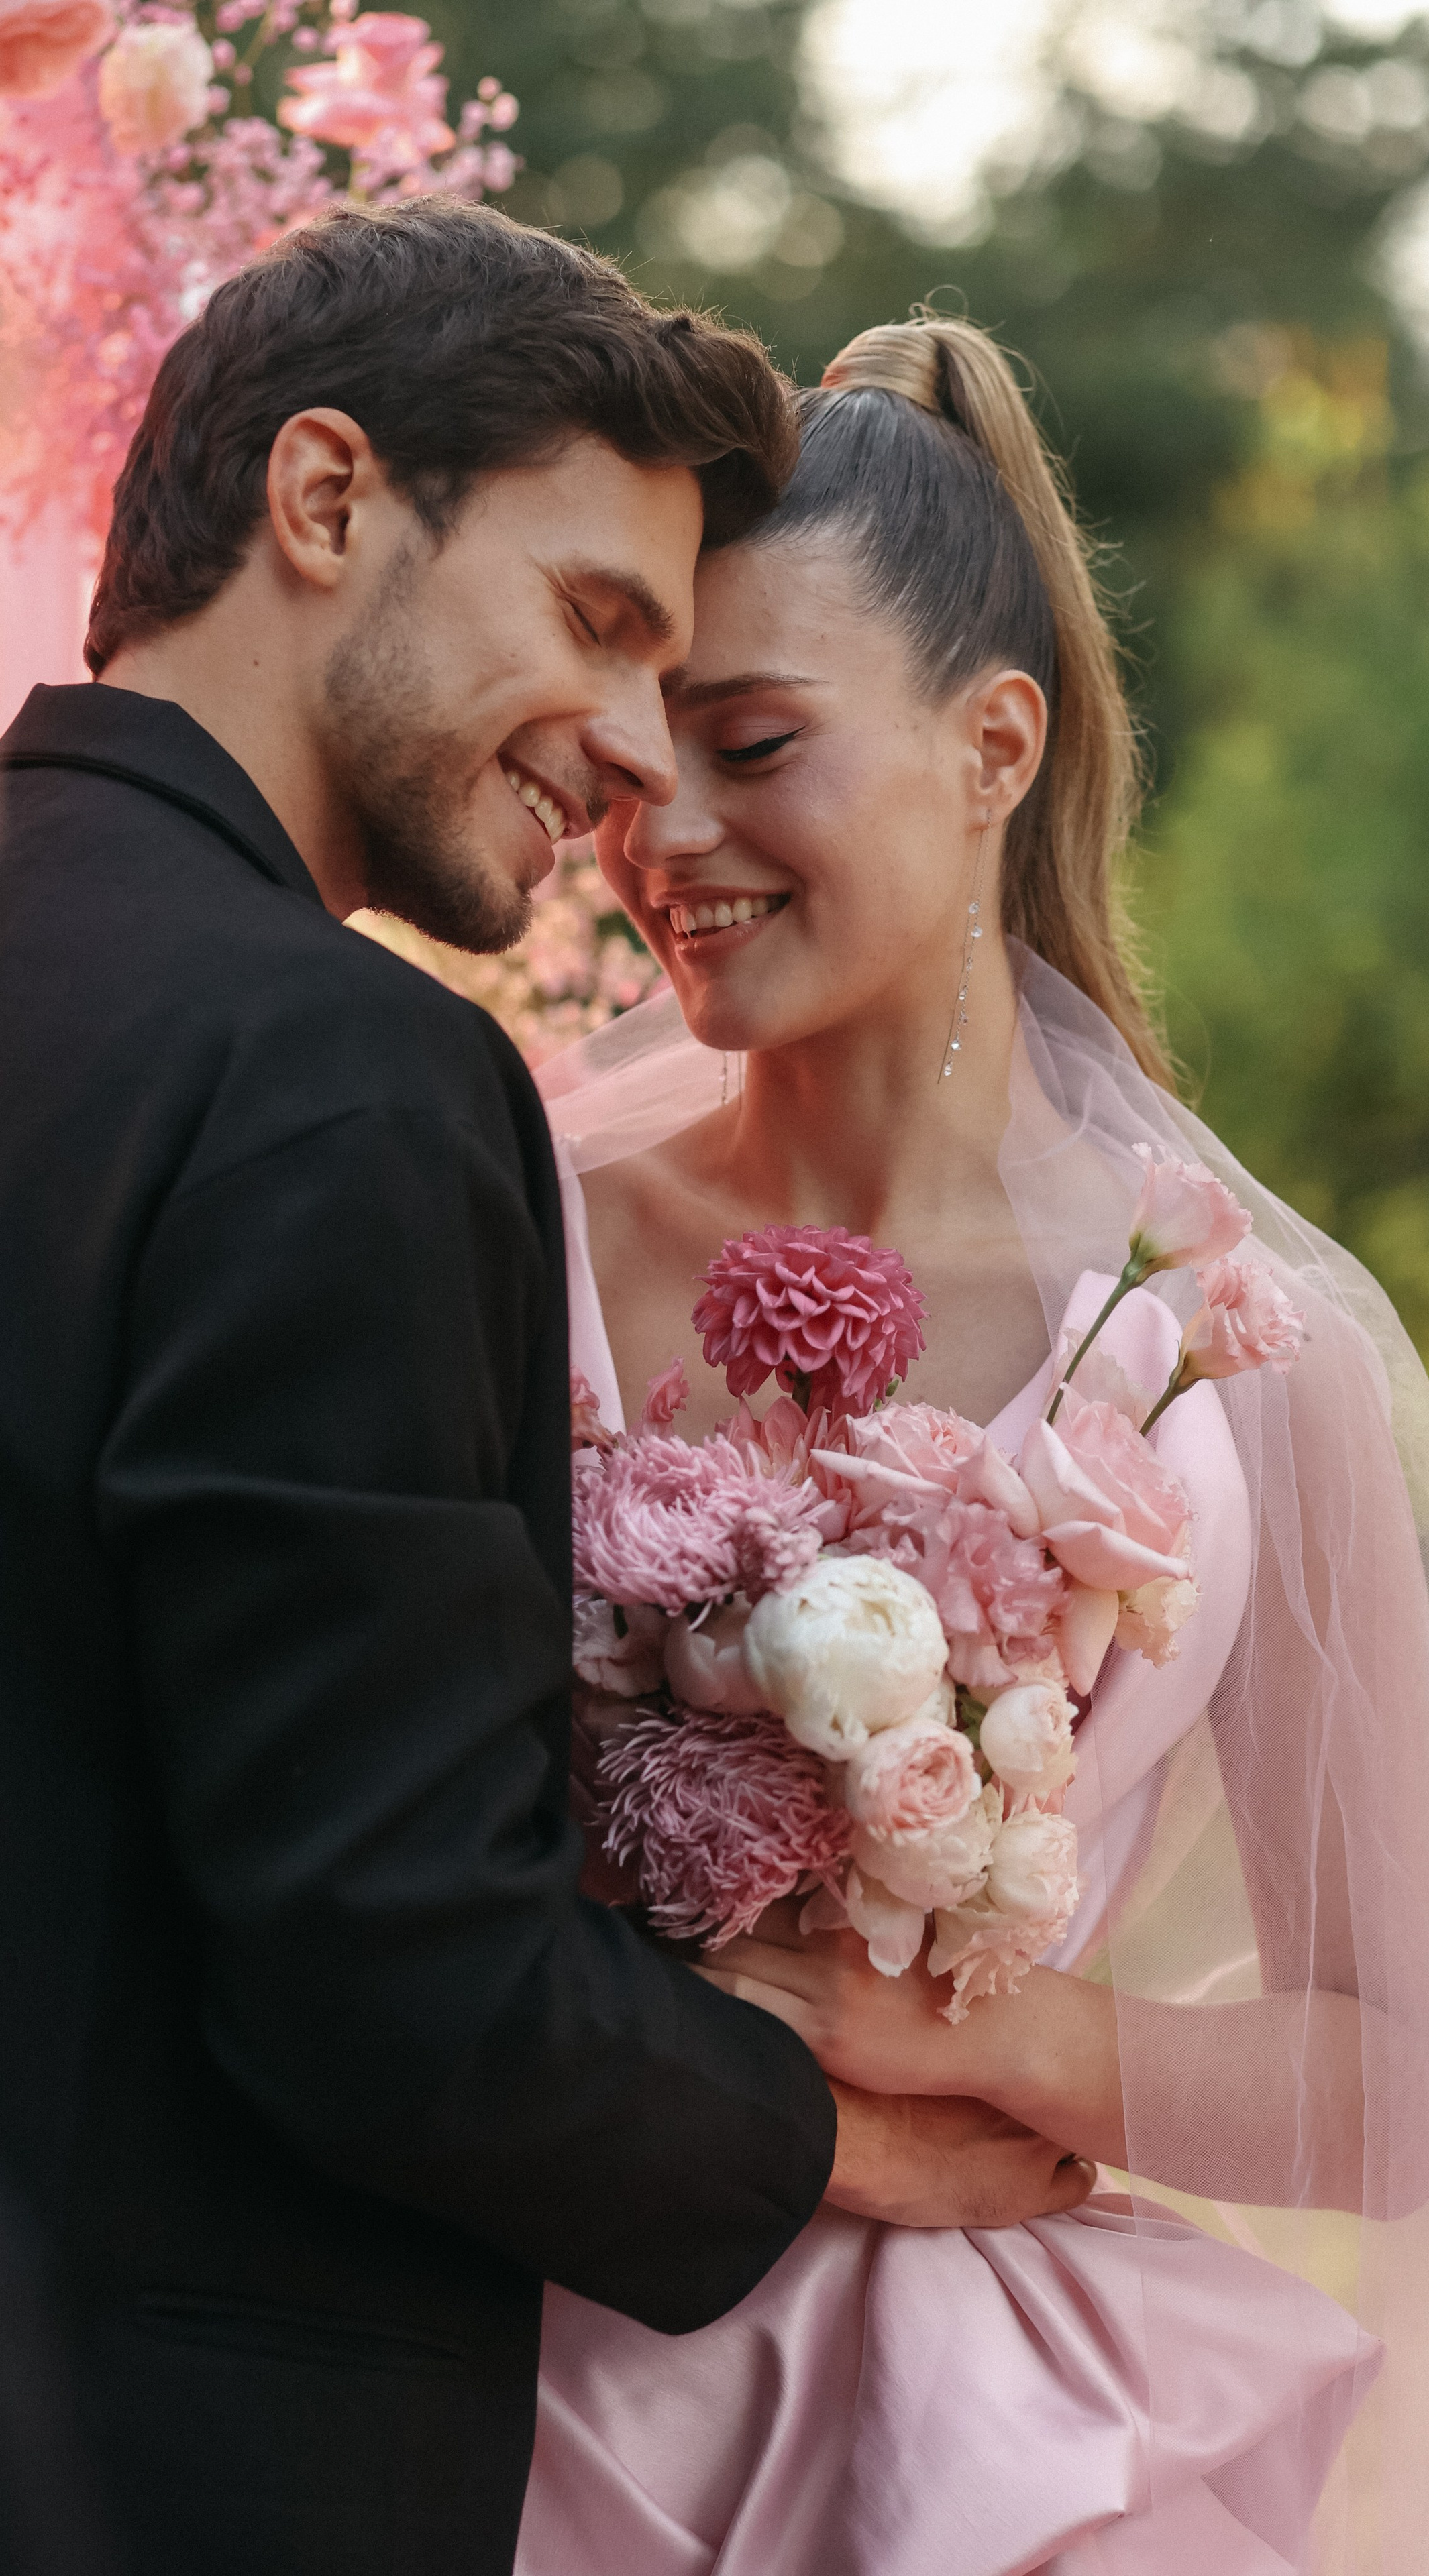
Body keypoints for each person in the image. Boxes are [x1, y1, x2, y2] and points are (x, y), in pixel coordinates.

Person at [0, 209, 1090, 2576]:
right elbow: (376, 1943)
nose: (621, 761)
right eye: (596, 620)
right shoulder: (344, 1082)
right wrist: (821, 2137)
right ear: (322, 501)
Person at [522, 317, 1429, 2573]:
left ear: (995, 740)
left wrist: (989, 2045)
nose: (658, 834)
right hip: (539, 2384)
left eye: (752, 745)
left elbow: (1399, 2077)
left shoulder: (1229, 1353)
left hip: (1007, 2440)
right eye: (624, 762)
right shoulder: (501, 1232)